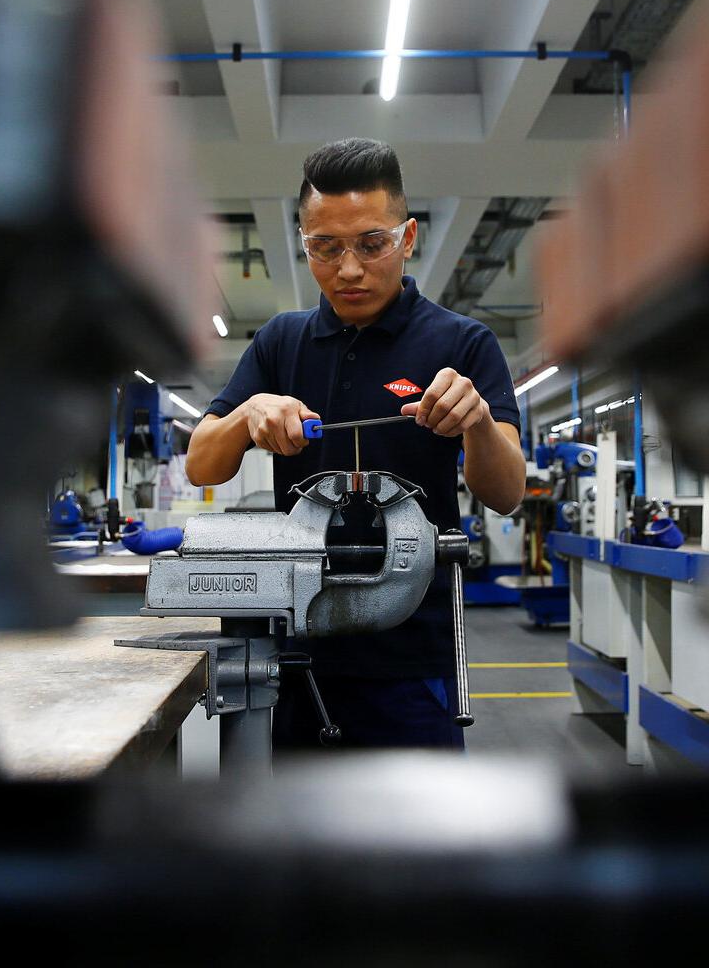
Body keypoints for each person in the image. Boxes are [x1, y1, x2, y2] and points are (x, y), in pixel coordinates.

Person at [187, 138, 525, 750]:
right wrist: (248, 414)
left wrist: (476, 421)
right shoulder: (280, 343)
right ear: (303, 242)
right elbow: (200, 463)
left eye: (372, 244)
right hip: (294, 652)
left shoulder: (463, 343)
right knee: (299, 840)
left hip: (414, 661)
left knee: (417, 839)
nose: (348, 269)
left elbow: (505, 494)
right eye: (325, 247)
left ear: (409, 238)